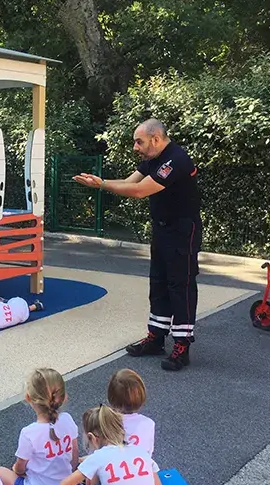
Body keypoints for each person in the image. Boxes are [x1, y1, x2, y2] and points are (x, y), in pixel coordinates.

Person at [73, 119, 202, 371]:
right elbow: (129, 181)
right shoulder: (153, 159)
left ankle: (182, 345)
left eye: (139, 141)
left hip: (182, 230)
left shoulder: (176, 159)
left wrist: (101, 185)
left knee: (181, 285)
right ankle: (156, 337)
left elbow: (139, 191)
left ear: (156, 139)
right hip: (162, 228)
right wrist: (99, 182)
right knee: (158, 283)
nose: (135, 147)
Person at [0, 368, 82, 485]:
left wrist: (17, 470)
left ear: (28, 397)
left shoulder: (29, 433)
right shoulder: (68, 420)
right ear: (64, 397)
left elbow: (20, 468)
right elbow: (74, 457)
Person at [106, 368, 156, 458]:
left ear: (111, 398)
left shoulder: (105, 422)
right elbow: (148, 454)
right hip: (141, 470)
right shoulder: (148, 423)